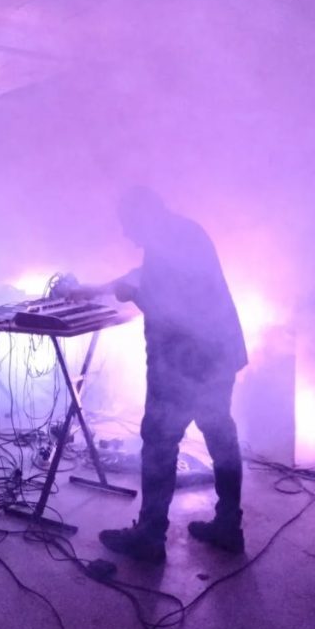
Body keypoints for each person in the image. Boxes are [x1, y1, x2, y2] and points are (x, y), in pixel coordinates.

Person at [71, 186, 248, 563]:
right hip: (216, 355)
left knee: (159, 443)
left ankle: (151, 537)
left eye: (127, 224)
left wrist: (130, 294)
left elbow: (166, 304)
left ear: (143, 216)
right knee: (220, 437)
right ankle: (229, 527)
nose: (125, 233)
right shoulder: (181, 233)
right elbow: (143, 276)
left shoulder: (168, 242)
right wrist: (96, 290)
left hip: (186, 363)